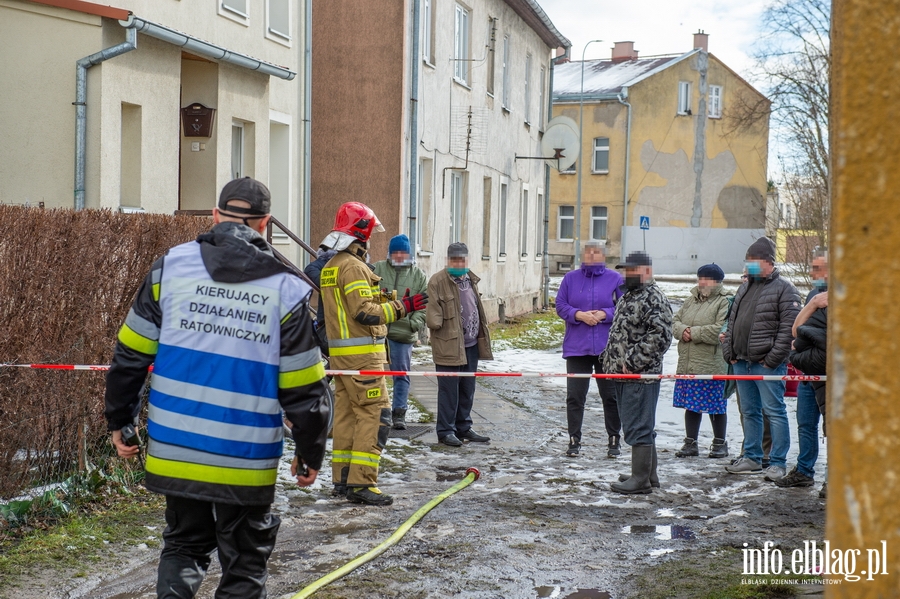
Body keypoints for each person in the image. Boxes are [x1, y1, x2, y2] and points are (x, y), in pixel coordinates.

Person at [104, 177, 331, 598]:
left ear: (214, 216)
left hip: (177, 449)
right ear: (264, 224)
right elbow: (305, 388)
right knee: (244, 562)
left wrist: (121, 418)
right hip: (245, 456)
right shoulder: (286, 288)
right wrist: (310, 449)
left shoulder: (169, 268)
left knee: (184, 546)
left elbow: (130, 355)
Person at [320, 202, 428, 506]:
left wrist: (384, 297)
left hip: (342, 358)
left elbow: (350, 303)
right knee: (375, 415)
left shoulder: (333, 266)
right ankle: (362, 483)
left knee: (346, 417)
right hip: (362, 357)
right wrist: (403, 308)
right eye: (369, 233)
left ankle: (342, 479)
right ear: (361, 233)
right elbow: (364, 313)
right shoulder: (353, 266)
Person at [722, 236, 801, 480]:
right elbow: (733, 321)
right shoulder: (745, 287)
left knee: (774, 411)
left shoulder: (785, 290)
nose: (749, 266)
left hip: (766, 363)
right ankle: (752, 457)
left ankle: (777, 462)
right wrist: (730, 353)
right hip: (741, 361)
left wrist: (772, 360)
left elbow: (789, 330)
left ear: (768, 262)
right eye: (748, 261)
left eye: (754, 261)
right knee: (749, 411)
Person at [604, 251, 673, 495]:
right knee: (638, 424)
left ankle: (640, 480)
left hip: (640, 375)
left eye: (631, 270)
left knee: (639, 426)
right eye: (625, 270)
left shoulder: (653, 297)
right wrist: (609, 358)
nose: (626, 274)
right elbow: (621, 332)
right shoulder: (630, 295)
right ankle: (647, 474)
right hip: (623, 374)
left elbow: (660, 335)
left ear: (645, 271)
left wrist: (633, 361)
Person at [554, 241, 623, 458]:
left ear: (604, 255)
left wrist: (605, 314)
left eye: (596, 252)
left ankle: (614, 440)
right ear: (582, 255)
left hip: (606, 348)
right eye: (588, 252)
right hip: (577, 347)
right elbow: (560, 305)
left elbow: (625, 307)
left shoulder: (616, 279)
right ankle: (574, 440)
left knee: (610, 396)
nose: (592, 255)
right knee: (575, 396)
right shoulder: (570, 278)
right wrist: (578, 315)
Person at [426, 242, 494, 447]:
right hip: (449, 345)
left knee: (467, 388)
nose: (459, 263)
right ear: (448, 261)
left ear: (467, 260)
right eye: (454, 259)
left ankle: (463, 427)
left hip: (471, 344)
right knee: (449, 390)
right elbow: (432, 318)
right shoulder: (437, 281)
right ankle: (446, 431)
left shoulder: (470, 279)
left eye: (462, 259)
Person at [779, 249, 828, 494]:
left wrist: (801, 344)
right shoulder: (814, 295)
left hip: (827, 374)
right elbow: (796, 330)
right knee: (805, 423)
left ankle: (833, 477)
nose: (812, 273)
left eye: (818, 269)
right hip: (808, 373)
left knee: (833, 429)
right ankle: (804, 470)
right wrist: (812, 304)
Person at [671, 264, 733, 458]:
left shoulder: (726, 301)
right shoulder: (691, 300)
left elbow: (720, 329)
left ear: (717, 282)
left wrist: (692, 333)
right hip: (689, 362)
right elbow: (675, 322)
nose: (701, 282)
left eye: (706, 279)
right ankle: (690, 443)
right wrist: (682, 331)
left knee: (716, 405)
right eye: (700, 278)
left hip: (712, 363)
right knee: (691, 405)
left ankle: (719, 443)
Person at [373, 234, 428, 430]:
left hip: (403, 334)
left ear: (408, 254)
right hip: (377, 333)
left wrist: (414, 324)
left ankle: (399, 414)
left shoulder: (418, 276)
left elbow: (424, 306)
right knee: (374, 374)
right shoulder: (377, 269)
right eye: (395, 252)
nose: (398, 256)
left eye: (402, 252)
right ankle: (379, 411)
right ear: (389, 253)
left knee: (401, 374)